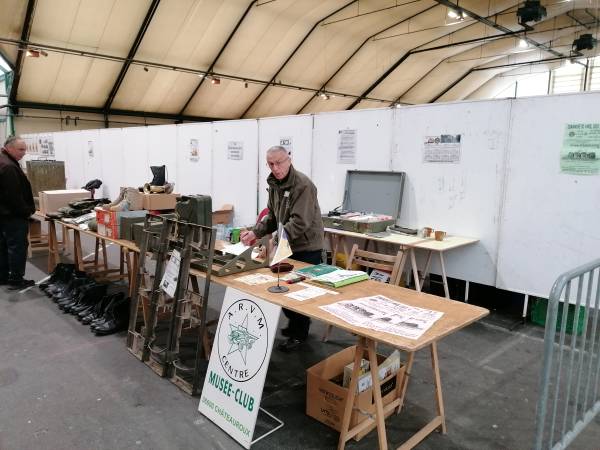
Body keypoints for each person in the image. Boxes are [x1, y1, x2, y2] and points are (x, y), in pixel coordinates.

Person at [241, 146, 324, 352]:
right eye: (271, 164)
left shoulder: (303, 185)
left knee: (298, 292)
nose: (275, 168)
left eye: (279, 163)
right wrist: (255, 232)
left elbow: (300, 222)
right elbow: (272, 216)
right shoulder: (275, 184)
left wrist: (277, 237)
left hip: (306, 245)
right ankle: (296, 324)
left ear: (289, 159)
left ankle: (300, 334)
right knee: (285, 288)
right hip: (286, 243)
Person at [0, 136, 36, 290]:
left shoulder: (4, 161)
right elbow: (13, 196)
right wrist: (26, 212)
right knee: (17, 247)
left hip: (4, 214)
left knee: (3, 246)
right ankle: (16, 279)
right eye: (21, 149)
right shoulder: (8, 167)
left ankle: (3, 276)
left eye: (25, 149)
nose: (24, 153)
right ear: (9, 148)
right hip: (13, 215)